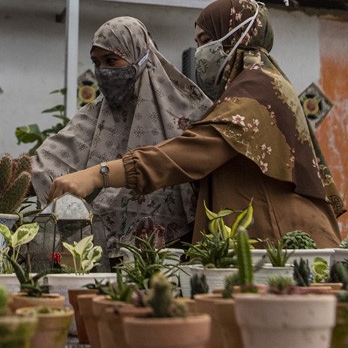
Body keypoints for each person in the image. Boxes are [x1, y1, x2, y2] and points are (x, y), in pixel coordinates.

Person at [47, 0, 344, 248]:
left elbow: (195, 152)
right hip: (268, 238)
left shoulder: (259, 89)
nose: (201, 52)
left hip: (285, 241)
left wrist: (98, 175)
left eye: (206, 41)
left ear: (237, 37)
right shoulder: (254, 86)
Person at [31, 16, 213, 251]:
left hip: (175, 253)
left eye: (111, 61)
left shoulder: (187, 110)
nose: (103, 71)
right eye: (97, 63)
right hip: (99, 255)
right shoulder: (96, 114)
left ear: (140, 57)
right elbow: (51, 158)